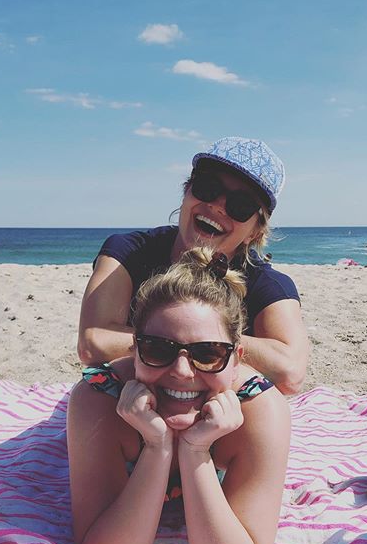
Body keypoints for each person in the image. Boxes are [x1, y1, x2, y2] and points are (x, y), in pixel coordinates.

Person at [68, 247, 291, 544]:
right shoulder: (98, 399)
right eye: (158, 349)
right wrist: (157, 447)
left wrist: (195, 450)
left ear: (237, 360)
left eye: (208, 354)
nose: (182, 371)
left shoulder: (260, 410)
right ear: (134, 349)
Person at [78, 137, 308, 395]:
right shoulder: (129, 252)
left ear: (255, 232)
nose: (218, 206)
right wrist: (210, 352)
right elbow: (93, 343)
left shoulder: (267, 284)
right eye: (208, 187)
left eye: (240, 205)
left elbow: (290, 373)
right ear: (186, 191)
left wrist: (172, 346)